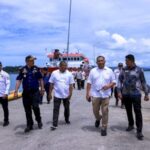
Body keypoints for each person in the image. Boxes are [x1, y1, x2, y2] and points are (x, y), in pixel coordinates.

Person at [118, 54, 149, 140]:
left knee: (138, 112)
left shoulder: (139, 70)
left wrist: (146, 94)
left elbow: (143, 82)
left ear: (132, 61)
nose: (125, 62)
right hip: (126, 94)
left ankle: (139, 131)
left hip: (136, 94)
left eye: (126, 61)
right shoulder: (123, 69)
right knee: (128, 111)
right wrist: (119, 92)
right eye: (125, 61)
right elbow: (119, 81)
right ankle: (131, 125)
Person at [86, 56, 116, 136]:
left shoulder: (109, 71)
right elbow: (89, 82)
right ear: (96, 62)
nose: (100, 62)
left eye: (102, 60)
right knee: (95, 111)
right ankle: (98, 118)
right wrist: (87, 93)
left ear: (104, 61)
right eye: (98, 61)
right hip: (95, 94)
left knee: (105, 111)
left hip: (106, 95)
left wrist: (108, 86)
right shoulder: (93, 71)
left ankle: (104, 127)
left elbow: (114, 81)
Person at [14, 55, 44, 133]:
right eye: (31, 60)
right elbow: (19, 80)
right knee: (27, 110)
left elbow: (40, 79)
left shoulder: (36, 69)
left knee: (35, 107)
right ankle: (29, 124)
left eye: (33, 60)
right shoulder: (22, 69)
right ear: (27, 61)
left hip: (35, 92)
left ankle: (39, 120)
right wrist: (16, 91)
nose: (33, 61)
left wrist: (42, 89)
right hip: (26, 93)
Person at [49, 61, 74, 130]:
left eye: (65, 66)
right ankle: (54, 124)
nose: (64, 67)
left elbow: (71, 85)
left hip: (66, 95)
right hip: (57, 94)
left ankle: (66, 119)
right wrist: (49, 93)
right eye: (62, 66)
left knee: (67, 109)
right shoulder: (54, 73)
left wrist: (70, 94)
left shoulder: (69, 74)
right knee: (56, 109)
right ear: (59, 66)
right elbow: (51, 84)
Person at [0, 62, 10, 126]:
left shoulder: (5, 74)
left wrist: (6, 93)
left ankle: (6, 120)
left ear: (1, 66)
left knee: (5, 108)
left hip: (3, 94)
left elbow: (8, 84)